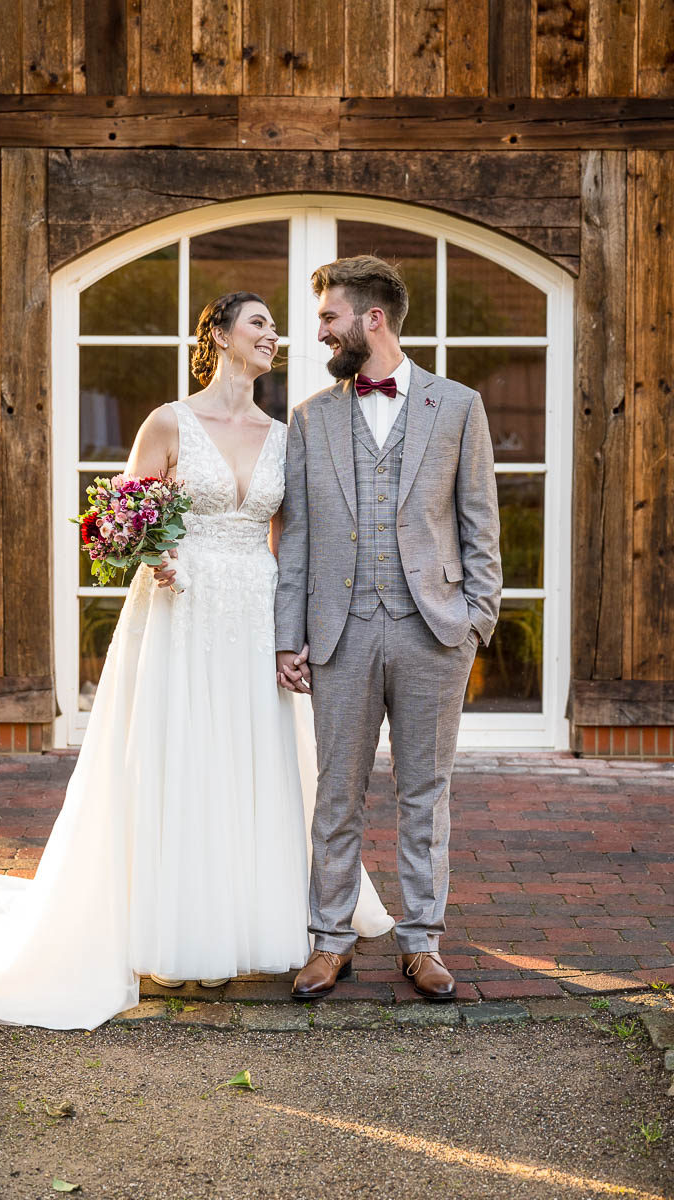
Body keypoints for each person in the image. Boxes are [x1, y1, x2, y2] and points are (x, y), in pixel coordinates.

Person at [0, 290, 392, 1030]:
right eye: (258, 323)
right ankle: (172, 927)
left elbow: (292, 546)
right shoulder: (169, 422)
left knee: (253, 759)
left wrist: (299, 636)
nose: (273, 336)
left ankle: (258, 922)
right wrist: (149, 551)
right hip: (179, 612)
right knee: (181, 757)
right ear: (219, 335)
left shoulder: (282, 433)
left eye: (276, 329)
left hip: (254, 613)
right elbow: (111, 525)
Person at [275, 256, 502, 1001]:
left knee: (424, 792)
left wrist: (477, 621)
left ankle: (421, 942)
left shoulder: (459, 406)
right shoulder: (311, 416)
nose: (319, 334)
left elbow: (479, 526)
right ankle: (330, 941)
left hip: (433, 631)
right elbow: (298, 537)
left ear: (372, 320)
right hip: (338, 632)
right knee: (337, 793)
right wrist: (289, 636)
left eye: (329, 318)